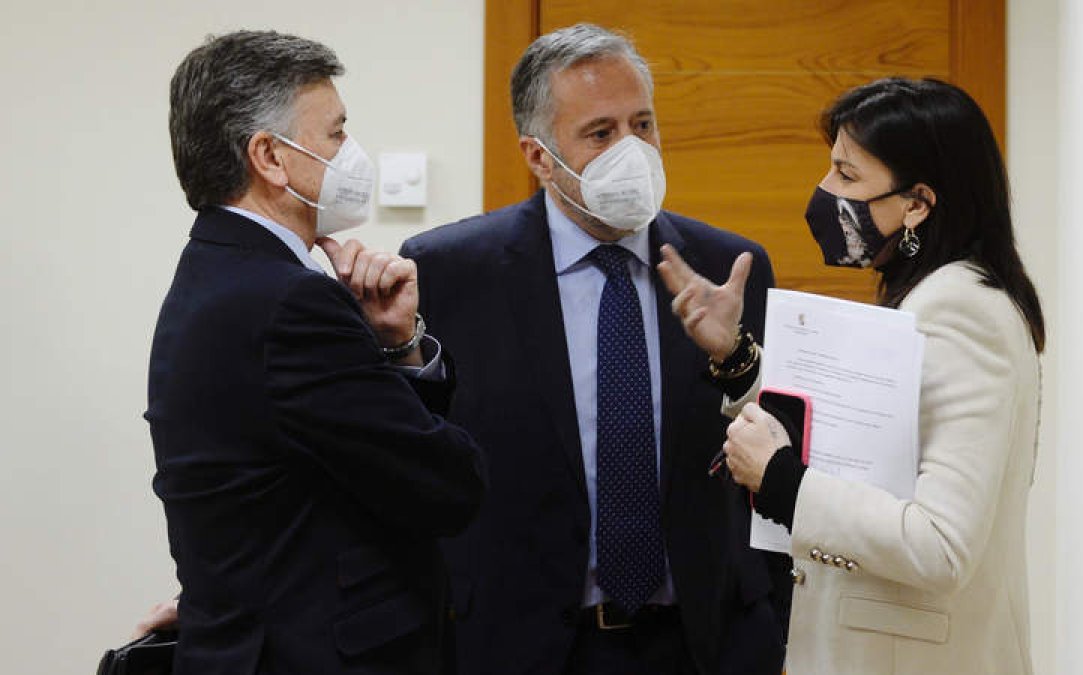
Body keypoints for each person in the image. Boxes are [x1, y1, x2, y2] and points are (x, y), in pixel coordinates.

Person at [399, 23, 786, 675]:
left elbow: (782, 452)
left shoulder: (729, 266)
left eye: (643, 124)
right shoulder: (448, 271)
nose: (632, 151)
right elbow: (413, 460)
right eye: (601, 133)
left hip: (704, 642)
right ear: (539, 157)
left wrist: (735, 356)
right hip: (525, 644)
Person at [659, 77, 1045, 675]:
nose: (824, 191)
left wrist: (784, 480)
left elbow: (940, 545)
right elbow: (862, 448)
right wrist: (738, 359)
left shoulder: (960, 311)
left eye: (846, 175)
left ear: (916, 204)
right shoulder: (930, 296)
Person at [146, 30, 485, 674]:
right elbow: (444, 486)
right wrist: (407, 361)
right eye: (335, 133)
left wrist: (396, 341)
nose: (350, 152)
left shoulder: (213, 273)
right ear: (270, 156)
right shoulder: (290, 303)